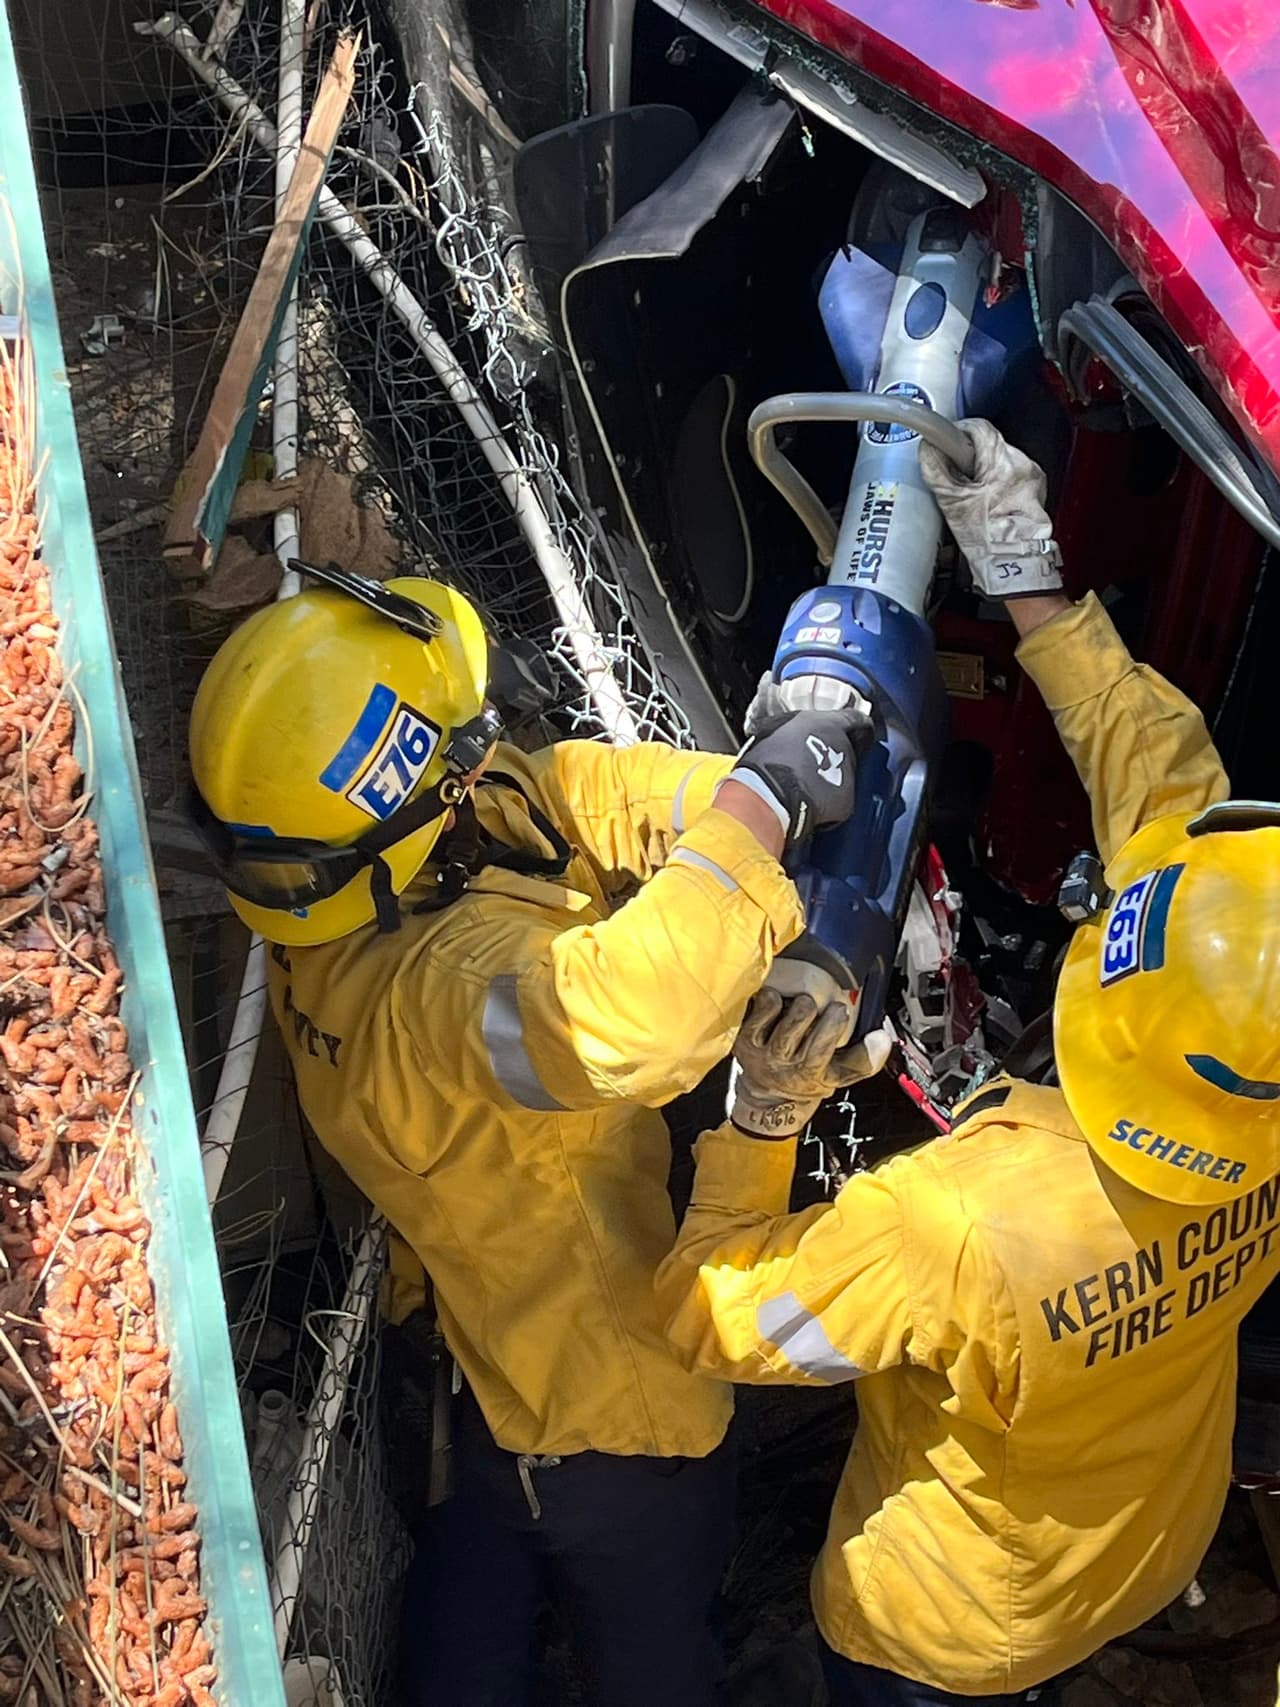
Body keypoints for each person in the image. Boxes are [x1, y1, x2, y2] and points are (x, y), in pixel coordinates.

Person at [656, 419, 1280, 1706]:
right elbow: (1156, 775)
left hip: (948, 1630)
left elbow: (705, 1314)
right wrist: (1024, 576)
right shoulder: (1249, 1042)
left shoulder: (955, 1226)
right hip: (1141, 1545)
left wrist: (763, 1118)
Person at [186, 561, 868, 1707]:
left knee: (474, 1585)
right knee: (652, 1644)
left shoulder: (343, 882)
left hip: (472, 1368)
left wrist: (737, 785)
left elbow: (553, 796)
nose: (482, 737)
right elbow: (632, 1016)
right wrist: (761, 811)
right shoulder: (432, 997)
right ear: (413, 794)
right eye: (455, 735)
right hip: (609, 1414)